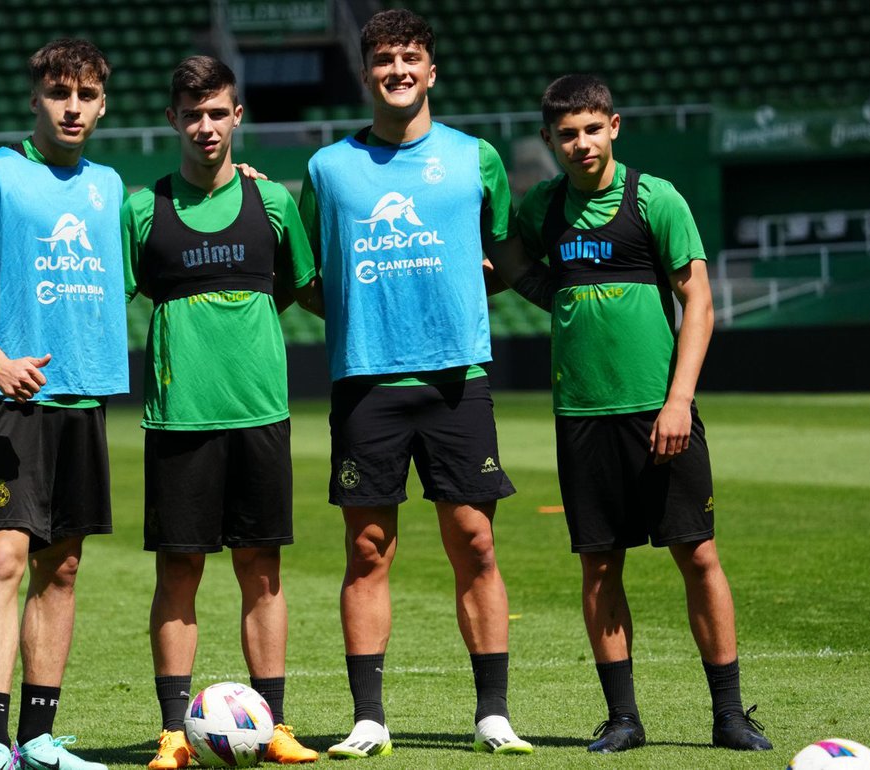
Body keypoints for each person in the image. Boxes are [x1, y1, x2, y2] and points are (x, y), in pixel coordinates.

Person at [498, 73, 772, 753]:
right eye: (567, 133)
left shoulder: (657, 199)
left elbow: (698, 300)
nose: (581, 143)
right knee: (599, 567)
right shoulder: (542, 208)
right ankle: (623, 718)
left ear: (614, 126)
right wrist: (547, 291)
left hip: (660, 412)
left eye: (593, 129)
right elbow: (509, 255)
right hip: (582, 415)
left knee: (699, 556)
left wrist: (679, 400)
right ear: (550, 140)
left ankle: (730, 715)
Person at [298, 9, 533, 759]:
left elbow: (504, 254)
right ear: (366, 72)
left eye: (411, 57)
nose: (398, 70)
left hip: (456, 377)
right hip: (366, 379)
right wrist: (357, 313)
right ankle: (369, 718)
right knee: (368, 548)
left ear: (431, 70)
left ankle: (492, 713)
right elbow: (305, 272)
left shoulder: (475, 158)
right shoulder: (329, 168)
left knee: (475, 541)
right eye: (384, 59)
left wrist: (460, 297)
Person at [120, 56, 323, 769]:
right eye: (192, 113)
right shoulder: (143, 210)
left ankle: (274, 727)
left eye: (218, 112)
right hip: (179, 419)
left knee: (261, 571)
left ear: (237, 117)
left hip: (259, 413)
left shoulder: (273, 203)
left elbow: (304, 286)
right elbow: (108, 295)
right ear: (173, 119)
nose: (205, 125)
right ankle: (174, 731)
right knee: (179, 573)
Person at [0, 38, 126, 770]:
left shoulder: (110, 187)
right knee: (3, 560)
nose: (71, 107)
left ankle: (40, 740)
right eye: (58, 93)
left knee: (64, 568)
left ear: (102, 104)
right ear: (35, 98)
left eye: (84, 95)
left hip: (83, 395)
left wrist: (235, 173)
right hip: (8, 398)